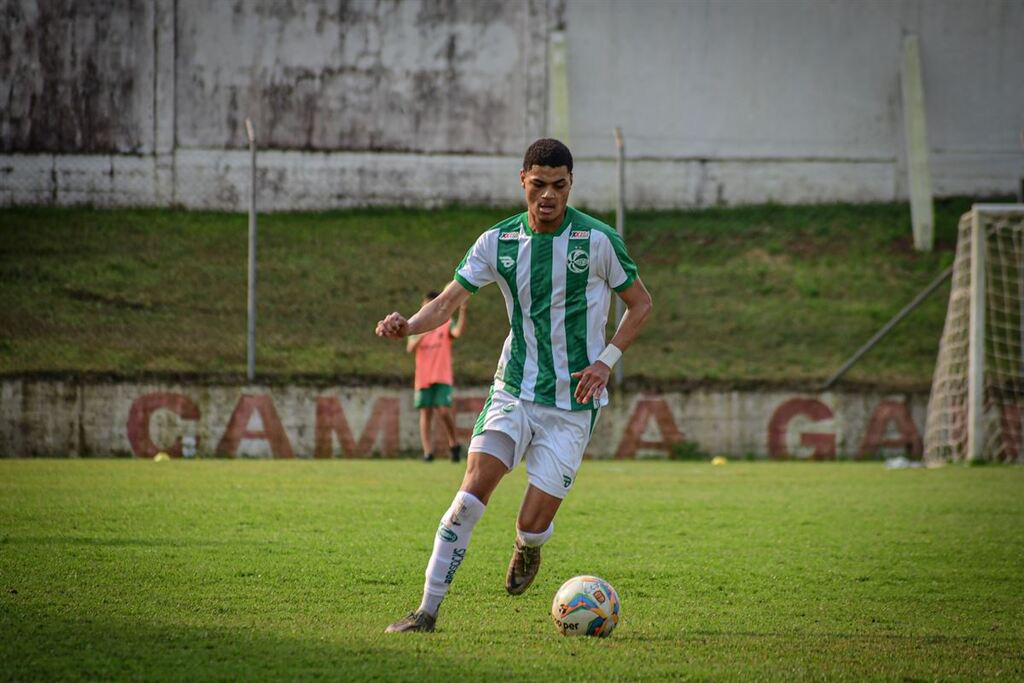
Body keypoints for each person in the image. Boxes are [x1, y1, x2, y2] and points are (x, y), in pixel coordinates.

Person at [375, 138, 652, 633]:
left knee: (531, 523)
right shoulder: (497, 243)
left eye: (559, 186)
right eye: (539, 185)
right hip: (514, 391)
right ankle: (426, 611)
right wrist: (408, 325)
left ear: (571, 186)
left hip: (572, 403)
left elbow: (641, 304)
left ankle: (528, 546)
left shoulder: (598, 242)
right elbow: (445, 303)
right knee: (468, 497)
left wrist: (606, 362)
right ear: (522, 181)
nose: (548, 195)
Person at [407, 292, 468, 463]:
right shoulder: (416, 325)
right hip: (423, 376)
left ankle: (454, 443)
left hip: (441, 375)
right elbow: (410, 348)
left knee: (443, 411)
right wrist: (423, 333)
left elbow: (457, 332)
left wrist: (463, 310)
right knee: (425, 413)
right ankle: (428, 452)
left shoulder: (445, 322)